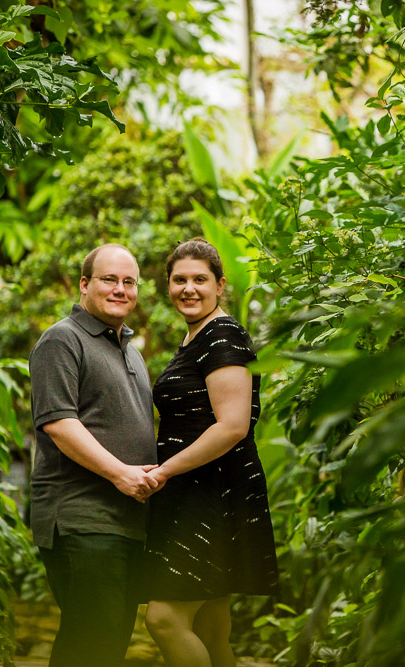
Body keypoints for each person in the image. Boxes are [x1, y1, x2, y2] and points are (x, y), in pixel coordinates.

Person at [142, 238, 279, 667]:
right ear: (167, 285)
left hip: (208, 491)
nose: (189, 288)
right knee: (210, 622)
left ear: (220, 285)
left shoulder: (221, 335)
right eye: (179, 280)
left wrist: (163, 472)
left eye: (199, 280)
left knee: (164, 620)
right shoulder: (196, 337)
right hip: (199, 487)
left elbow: (233, 425)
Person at [29, 243, 160, 666]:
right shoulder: (61, 340)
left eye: (129, 282)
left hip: (126, 522)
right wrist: (121, 473)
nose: (121, 289)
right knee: (92, 644)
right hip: (81, 518)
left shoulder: (131, 350)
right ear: (85, 284)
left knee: (108, 644)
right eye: (109, 279)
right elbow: (59, 424)